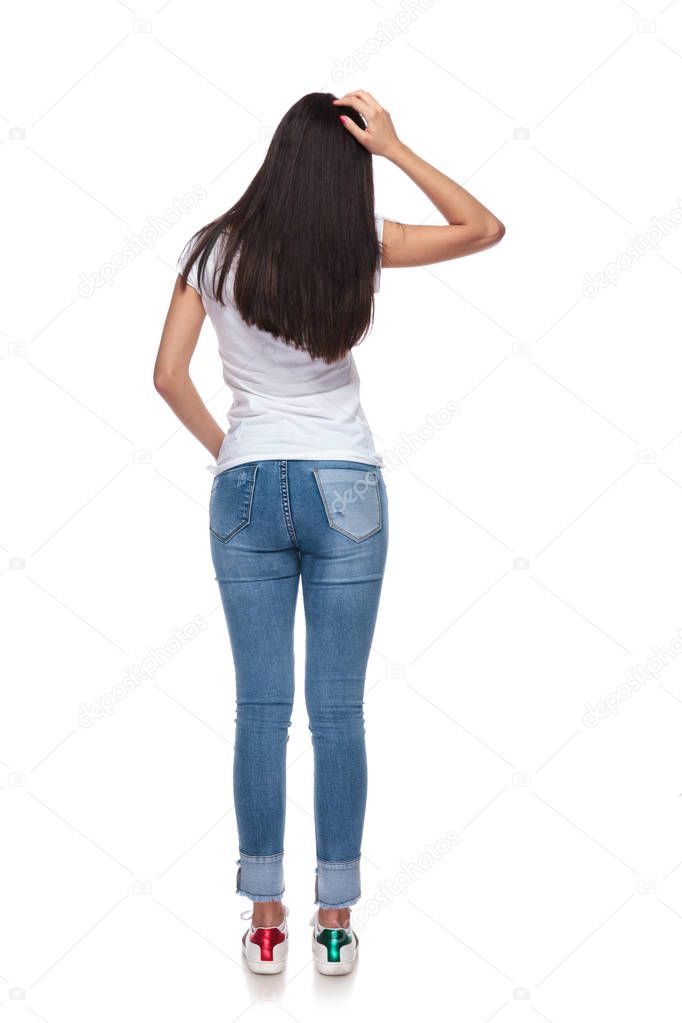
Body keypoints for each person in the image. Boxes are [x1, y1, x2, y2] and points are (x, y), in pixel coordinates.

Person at [153, 88, 505, 976]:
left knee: (260, 710)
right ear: (346, 164)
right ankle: (336, 917)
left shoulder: (211, 249)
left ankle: (266, 917)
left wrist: (230, 448)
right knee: (338, 709)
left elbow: (165, 374)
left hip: (243, 487)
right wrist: (395, 147)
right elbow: (482, 228)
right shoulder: (364, 242)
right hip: (346, 485)